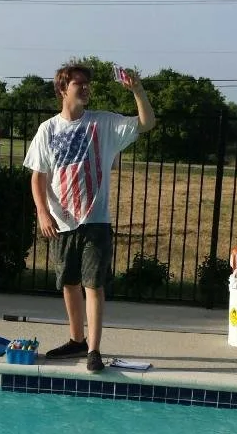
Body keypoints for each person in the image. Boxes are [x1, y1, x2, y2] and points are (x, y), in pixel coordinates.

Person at [23, 63, 156, 372]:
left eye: (87, 84)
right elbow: (38, 177)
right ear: (62, 89)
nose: (85, 88)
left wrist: (137, 89)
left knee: (93, 285)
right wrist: (42, 212)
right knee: (69, 283)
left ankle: (94, 350)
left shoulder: (103, 125)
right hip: (61, 220)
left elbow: (147, 123)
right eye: (77, 84)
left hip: (95, 220)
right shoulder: (48, 129)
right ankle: (76, 340)